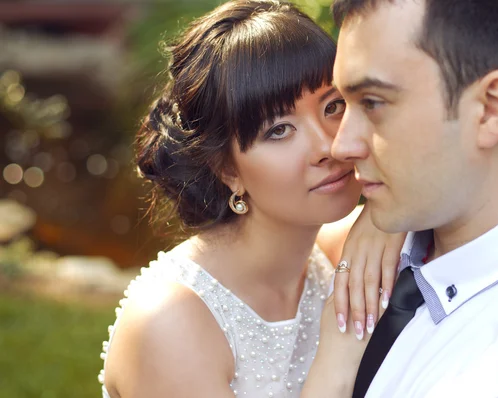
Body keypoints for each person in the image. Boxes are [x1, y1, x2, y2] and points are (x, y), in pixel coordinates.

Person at [98, 1, 402, 397]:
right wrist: (337, 363)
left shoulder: (340, 248)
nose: (329, 144)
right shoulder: (172, 322)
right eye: (278, 130)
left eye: (333, 106)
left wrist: (383, 218)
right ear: (227, 169)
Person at [323, 0, 498, 396]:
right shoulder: (424, 215)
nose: (341, 145)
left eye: (373, 102)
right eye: (342, 104)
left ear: (490, 109)